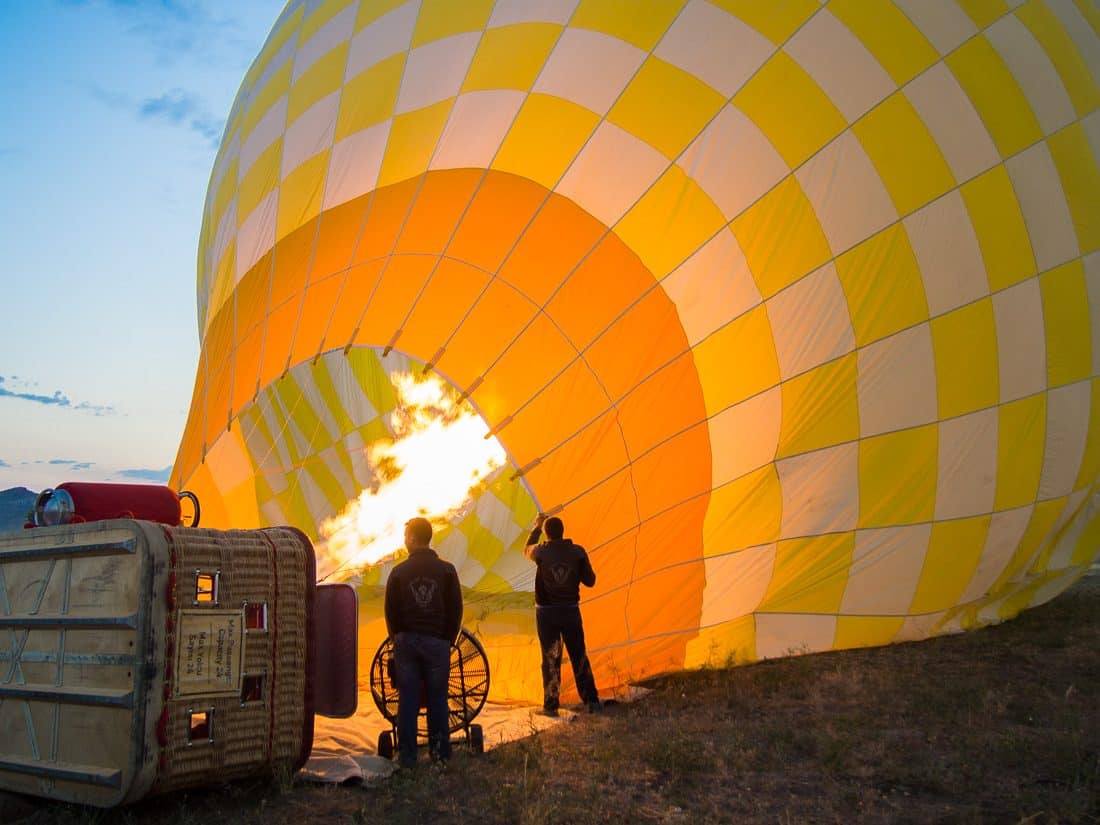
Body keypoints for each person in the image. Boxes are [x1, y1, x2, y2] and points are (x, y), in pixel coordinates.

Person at [384, 516, 463, 768]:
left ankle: (407, 758)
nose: (404, 540)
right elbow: (455, 609)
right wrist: (447, 639)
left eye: (406, 536)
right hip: (437, 642)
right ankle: (440, 753)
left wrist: (397, 637)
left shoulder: (398, 572)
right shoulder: (447, 570)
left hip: (406, 642)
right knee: (437, 698)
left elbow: (391, 611)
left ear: (413, 539)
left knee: (407, 698)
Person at [524, 513, 602, 715]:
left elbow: (527, 550)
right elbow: (590, 581)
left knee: (550, 658)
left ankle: (551, 706)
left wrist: (536, 526)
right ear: (563, 531)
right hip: (570, 611)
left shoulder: (541, 552)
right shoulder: (577, 552)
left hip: (546, 614)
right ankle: (591, 701)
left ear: (547, 533)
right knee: (578, 655)